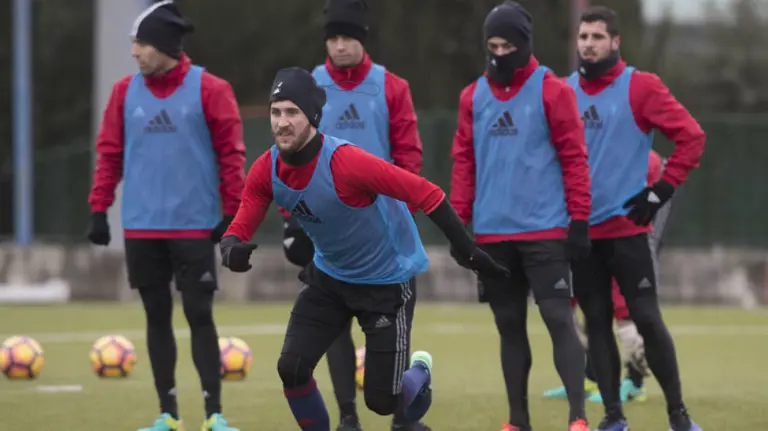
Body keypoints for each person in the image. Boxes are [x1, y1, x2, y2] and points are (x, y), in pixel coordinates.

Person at [220, 67, 509, 431]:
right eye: (276, 112)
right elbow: (244, 217)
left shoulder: (346, 163)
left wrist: (469, 252)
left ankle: (419, 371)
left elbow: (427, 193)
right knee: (291, 368)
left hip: (384, 284)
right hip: (328, 279)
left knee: (382, 403)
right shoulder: (267, 169)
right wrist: (230, 245)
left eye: (292, 112)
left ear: (311, 116)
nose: (282, 122)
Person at [86, 2, 244, 430]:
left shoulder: (211, 89)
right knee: (156, 316)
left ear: (163, 46)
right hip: (142, 227)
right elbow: (109, 154)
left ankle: (214, 414)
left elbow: (231, 157)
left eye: (140, 43)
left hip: (194, 227)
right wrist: (99, 208)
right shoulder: (123, 92)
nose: (134, 52)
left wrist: (233, 213)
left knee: (200, 314)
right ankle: (168, 415)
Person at [449, 2, 593, 430]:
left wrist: (579, 220)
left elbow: (574, 159)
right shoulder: (472, 96)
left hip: (544, 232)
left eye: (507, 45)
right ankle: (518, 421)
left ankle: (578, 418)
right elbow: (463, 163)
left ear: (525, 45)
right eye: (491, 46)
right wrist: (459, 227)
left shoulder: (553, 90)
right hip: (492, 236)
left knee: (557, 319)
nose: (498, 54)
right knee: (509, 326)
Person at [281, 1, 424, 429]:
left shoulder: (391, 87)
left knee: (394, 326)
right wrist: (293, 219)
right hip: (325, 229)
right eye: (333, 38)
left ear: (362, 39)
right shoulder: (309, 85)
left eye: (348, 38)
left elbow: (408, 156)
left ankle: (402, 414)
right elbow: (290, 156)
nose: (340, 46)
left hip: (384, 233)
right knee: (333, 326)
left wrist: (405, 212)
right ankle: (346, 415)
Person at [565, 6, 706, 431]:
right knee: (597, 323)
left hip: (628, 230)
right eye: (583, 36)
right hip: (582, 234)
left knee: (646, 317)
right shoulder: (562, 92)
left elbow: (691, 137)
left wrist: (661, 190)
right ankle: (613, 417)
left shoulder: (641, 87)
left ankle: (678, 415)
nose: (588, 44)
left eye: (597, 37)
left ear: (615, 42)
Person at [544, 150, 672, 404]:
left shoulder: (633, 158)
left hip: (640, 204)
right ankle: (591, 378)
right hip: (590, 214)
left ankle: (634, 382)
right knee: (576, 299)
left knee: (629, 295)